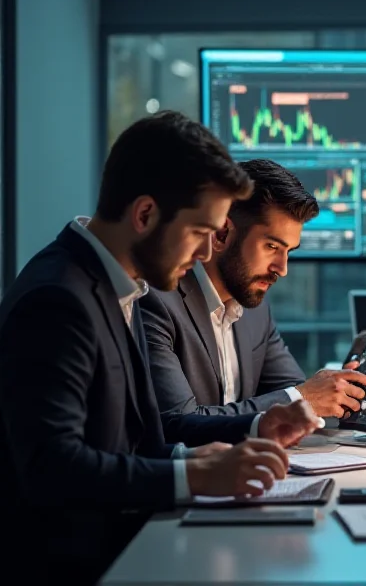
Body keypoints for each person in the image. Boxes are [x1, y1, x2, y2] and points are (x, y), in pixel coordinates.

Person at [0, 111, 319, 582]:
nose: (208, 253)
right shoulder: (59, 298)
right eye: (198, 232)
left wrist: (195, 458)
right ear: (145, 214)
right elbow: (52, 468)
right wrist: (192, 478)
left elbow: (125, 444)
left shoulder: (116, 287)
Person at [140, 158, 366, 419]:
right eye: (272, 247)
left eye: (288, 252)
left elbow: (292, 391)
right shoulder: (156, 300)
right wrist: (303, 397)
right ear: (222, 234)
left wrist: (336, 390)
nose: (282, 269)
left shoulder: (254, 309)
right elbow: (178, 421)